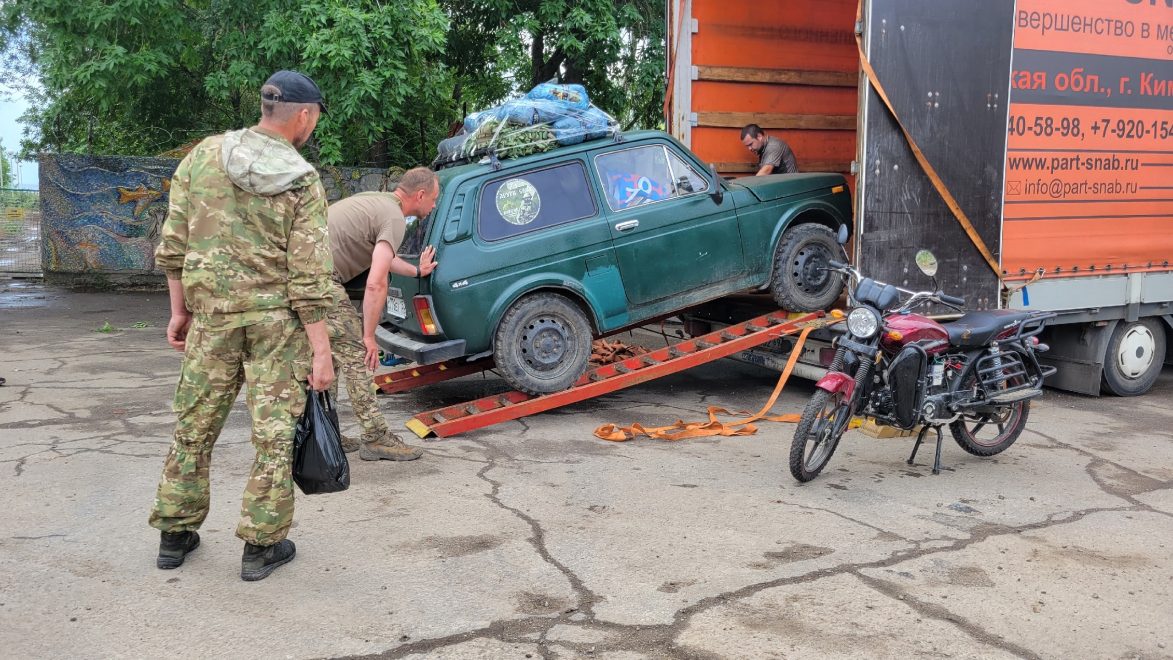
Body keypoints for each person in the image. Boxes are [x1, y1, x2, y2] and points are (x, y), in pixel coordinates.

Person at [148, 70, 336, 582]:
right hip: (277, 327)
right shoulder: (302, 178)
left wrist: (179, 311)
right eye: (315, 119)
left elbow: (173, 245)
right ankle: (261, 547)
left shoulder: (202, 157)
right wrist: (322, 352)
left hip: (211, 318)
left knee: (194, 425)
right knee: (274, 435)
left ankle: (174, 535)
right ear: (303, 115)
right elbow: (309, 276)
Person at [324, 167, 439, 461]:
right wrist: (368, 337)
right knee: (358, 356)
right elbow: (376, 283)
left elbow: (385, 259)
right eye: (434, 199)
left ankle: (326, 433)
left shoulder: (378, 201)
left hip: (304, 276)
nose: (434, 205)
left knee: (331, 359)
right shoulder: (394, 217)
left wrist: (417, 271)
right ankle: (376, 438)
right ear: (420, 195)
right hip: (320, 282)